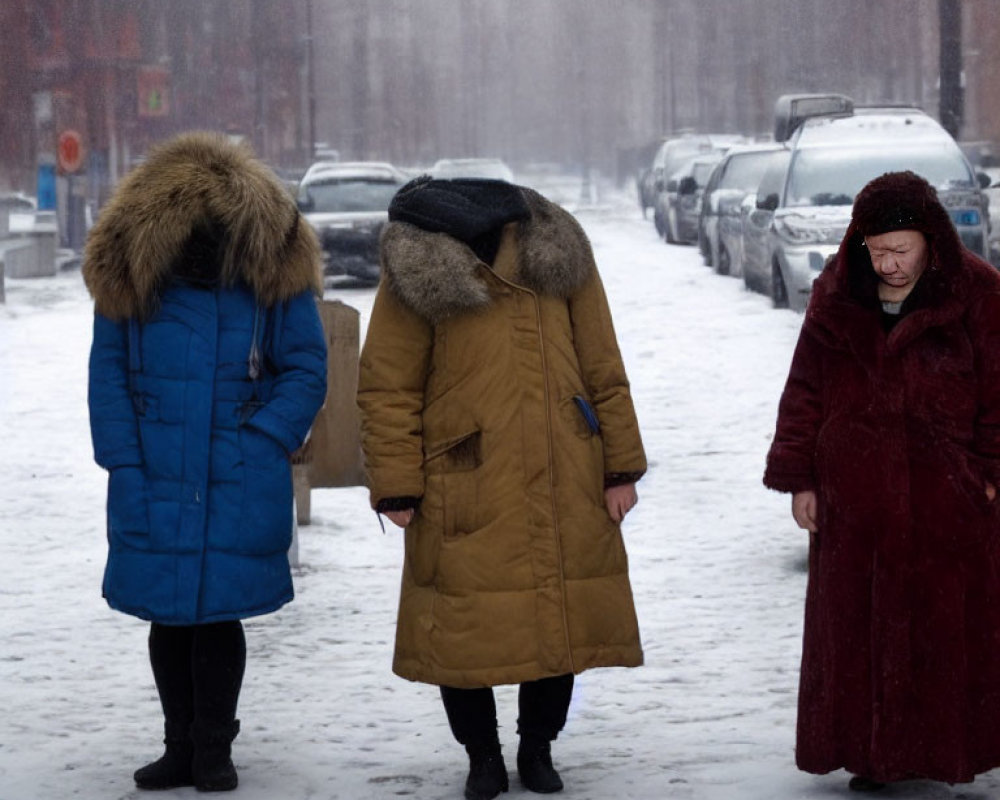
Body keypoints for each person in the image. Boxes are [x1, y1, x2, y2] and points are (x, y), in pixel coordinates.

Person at [356, 176, 647, 799]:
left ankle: (537, 747)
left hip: (565, 465)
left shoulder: (558, 252)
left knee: (560, 614)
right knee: (463, 629)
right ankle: (481, 755)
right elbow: (387, 384)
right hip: (462, 478)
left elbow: (603, 364)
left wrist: (620, 466)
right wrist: (396, 485)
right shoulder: (418, 267)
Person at [83, 132, 328, 792]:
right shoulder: (134, 273)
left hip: (238, 467)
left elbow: (306, 365)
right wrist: (123, 461)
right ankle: (179, 746)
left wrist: (266, 437)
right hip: (153, 467)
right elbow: (107, 374)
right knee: (170, 611)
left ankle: (214, 747)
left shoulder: (269, 266)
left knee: (218, 611)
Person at [764, 170, 1000, 791]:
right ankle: (870, 756)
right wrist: (800, 479)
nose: (889, 264)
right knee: (856, 634)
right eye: (877, 251)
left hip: (946, 500)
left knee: (942, 633)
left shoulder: (978, 293)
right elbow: (805, 389)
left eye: (902, 250)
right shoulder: (836, 295)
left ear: (930, 240)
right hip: (855, 498)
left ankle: (940, 752)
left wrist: (986, 475)